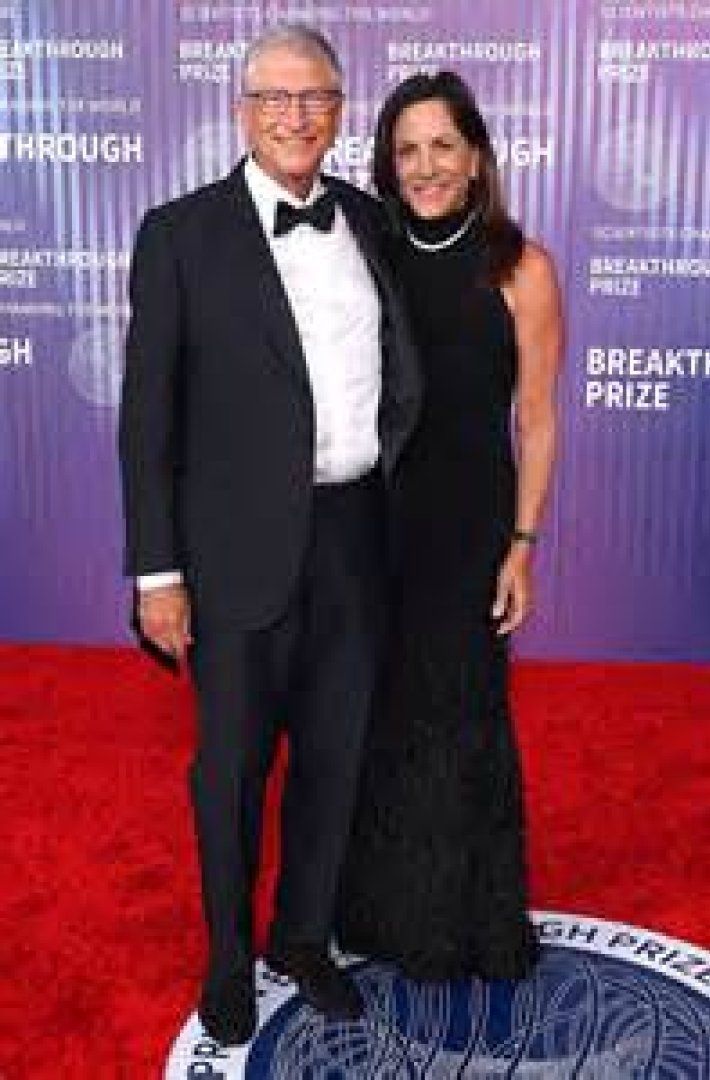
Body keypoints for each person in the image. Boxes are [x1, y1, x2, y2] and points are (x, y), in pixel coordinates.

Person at [118, 25, 421, 1046]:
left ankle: (302, 938)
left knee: (335, 759)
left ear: (340, 110)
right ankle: (227, 955)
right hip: (234, 552)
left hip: (356, 538)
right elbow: (147, 420)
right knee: (233, 771)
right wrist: (157, 573)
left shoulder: (370, 221)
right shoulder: (178, 235)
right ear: (241, 110)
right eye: (275, 98)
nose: (296, 116)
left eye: (316, 97)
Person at [336, 71, 562, 982]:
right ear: (387, 165)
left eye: (442, 146)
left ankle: (469, 919)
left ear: (476, 159)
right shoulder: (366, 257)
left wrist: (523, 546)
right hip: (372, 523)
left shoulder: (521, 269)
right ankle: (386, 912)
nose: (425, 166)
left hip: (470, 529)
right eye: (407, 150)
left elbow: (536, 419)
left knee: (462, 714)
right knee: (380, 715)